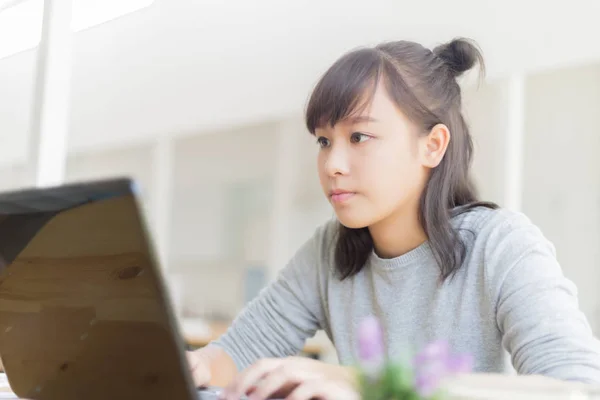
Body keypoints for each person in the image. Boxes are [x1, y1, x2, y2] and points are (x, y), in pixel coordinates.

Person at [187, 37, 600, 400]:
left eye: (359, 137)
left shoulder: (500, 243)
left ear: (433, 146)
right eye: (324, 141)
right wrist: (196, 366)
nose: (332, 164)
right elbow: (236, 355)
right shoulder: (329, 249)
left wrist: (361, 383)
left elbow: (576, 387)